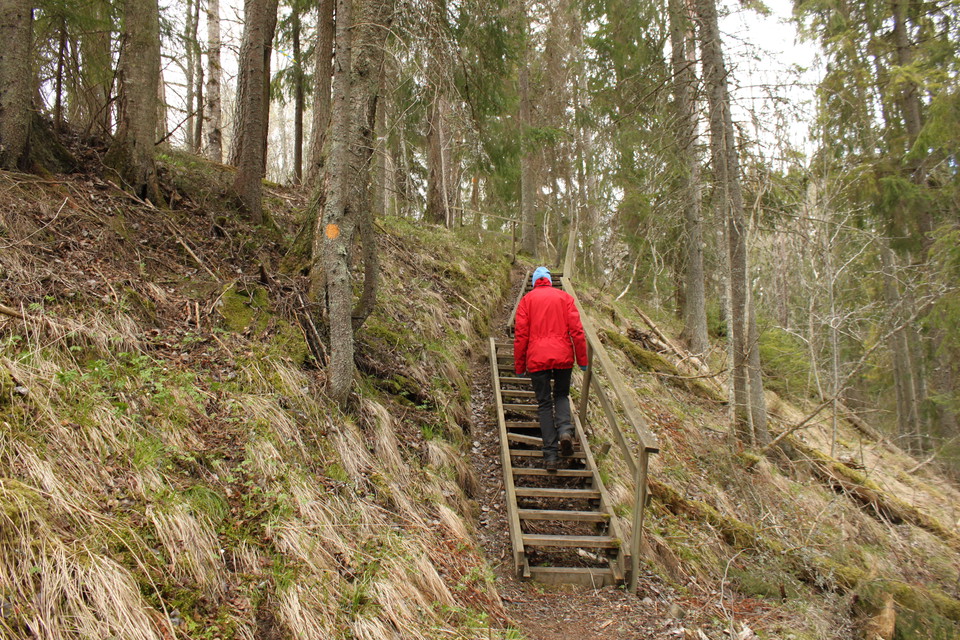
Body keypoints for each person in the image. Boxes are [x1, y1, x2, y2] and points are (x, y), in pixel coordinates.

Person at [513, 266, 588, 471]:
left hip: (537, 359)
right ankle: (565, 431)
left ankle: (550, 456)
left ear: (535, 282)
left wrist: (519, 365)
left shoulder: (527, 301)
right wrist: (582, 360)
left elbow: (521, 336)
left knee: (544, 404)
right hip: (563, 355)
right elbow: (578, 332)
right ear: (548, 280)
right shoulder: (564, 298)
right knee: (562, 395)